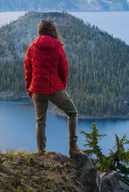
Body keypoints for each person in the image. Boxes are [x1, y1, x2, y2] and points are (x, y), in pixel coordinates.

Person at [24, 18, 84, 156]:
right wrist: (62, 86)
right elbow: (64, 69)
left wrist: (29, 87)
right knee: (73, 112)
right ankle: (73, 148)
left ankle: (41, 152)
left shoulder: (32, 46)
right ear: (53, 31)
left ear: (40, 30)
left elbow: (28, 69)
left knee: (40, 122)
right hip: (55, 88)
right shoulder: (57, 47)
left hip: (37, 90)